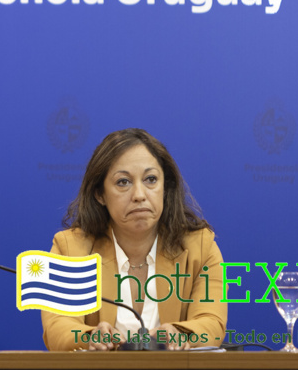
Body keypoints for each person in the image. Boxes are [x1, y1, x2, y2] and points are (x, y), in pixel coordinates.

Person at [42, 128, 225, 351]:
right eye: (123, 182)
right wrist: (90, 336)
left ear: (165, 188)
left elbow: (211, 322)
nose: (139, 194)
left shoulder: (200, 247)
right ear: (100, 194)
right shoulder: (69, 249)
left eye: (151, 179)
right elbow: (57, 327)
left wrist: (181, 333)